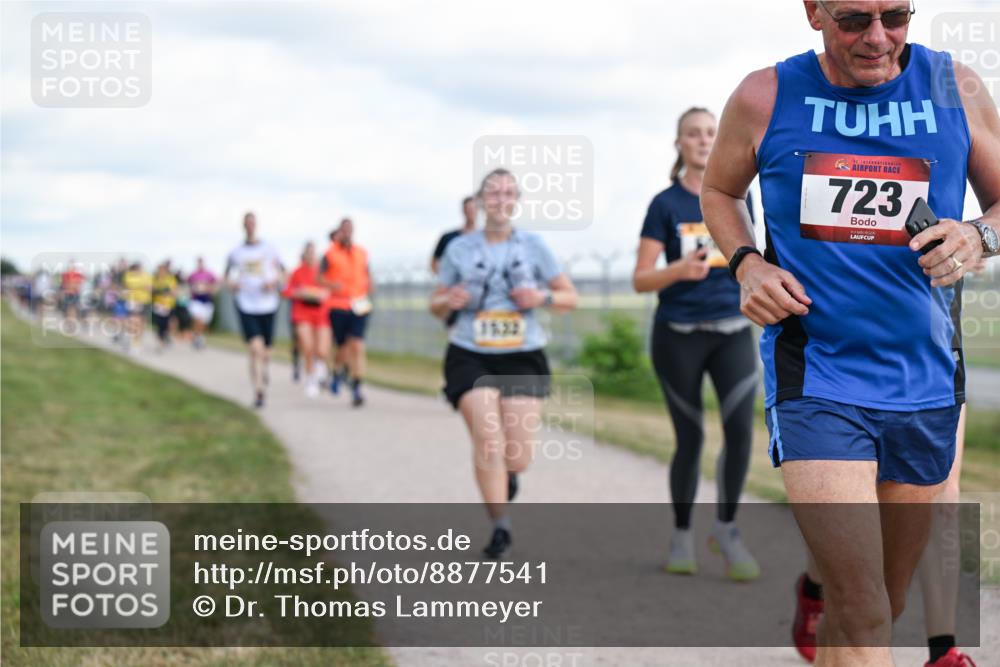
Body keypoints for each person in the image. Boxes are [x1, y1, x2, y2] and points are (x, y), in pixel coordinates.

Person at [701, 3, 999, 665]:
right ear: (813, 11)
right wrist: (747, 264)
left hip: (923, 379)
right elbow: (718, 191)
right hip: (819, 376)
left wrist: (978, 234)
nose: (878, 37)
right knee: (863, 609)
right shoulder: (765, 95)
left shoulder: (956, 86)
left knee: (877, 609)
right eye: (853, 18)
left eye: (896, 15)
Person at [633, 107, 759, 580]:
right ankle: (682, 534)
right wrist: (678, 271)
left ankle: (726, 530)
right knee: (691, 438)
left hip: (731, 331)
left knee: (742, 432)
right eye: (693, 133)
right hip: (678, 336)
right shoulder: (664, 205)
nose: (704, 140)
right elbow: (641, 279)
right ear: (679, 143)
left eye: (711, 132)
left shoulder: (742, 198)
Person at [430, 168, 578, 559]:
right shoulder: (459, 249)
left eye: (507, 193)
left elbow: (569, 297)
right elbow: (436, 303)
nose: (499, 199)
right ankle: (500, 526)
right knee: (488, 440)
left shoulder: (534, 245)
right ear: (479, 202)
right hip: (468, 352)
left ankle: (508, 478)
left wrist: (541, 298)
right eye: (491, 193)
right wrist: (450, 301)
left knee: (518, 455)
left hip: (522, 354)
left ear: (516, 201)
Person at [224, 212, 286, 408]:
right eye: (247, 223)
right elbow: (226, 276)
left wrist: (274, 282)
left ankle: (264, 368)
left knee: (266, 352)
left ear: (256, 225)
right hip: (246, 304)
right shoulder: (236, 252)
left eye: (252, 222)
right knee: (254, 349)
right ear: (243, 226)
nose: (250, 226)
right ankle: (259, 392)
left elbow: (284, 272)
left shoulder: (270, 248)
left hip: (268, 305)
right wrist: (232, 284)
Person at [319, 218, 372, 407]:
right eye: (344, 229)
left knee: (357, 344)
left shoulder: (361, 252)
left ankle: (357, 386)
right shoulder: (329, 254)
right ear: (340, 231)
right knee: (342, 347)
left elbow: (367, 274)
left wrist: (369, 289)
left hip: (360, 304)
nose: (347, 232)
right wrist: (332, 285)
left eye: (350, 229)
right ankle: (337, 371)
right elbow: (320, 278)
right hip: (338, 305)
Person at [283, 242, 332, 398]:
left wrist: (323, 293)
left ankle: (321, 368)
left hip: (321, 313)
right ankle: (311, 379)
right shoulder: (297, 272)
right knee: (308, 346)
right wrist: (300, 292)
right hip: (302, 313)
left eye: (313, 252)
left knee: (322, 350)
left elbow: (332, 288)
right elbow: (287, 291)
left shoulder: (323, 272)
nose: (311, 255)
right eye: (308, 252)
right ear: (304, 255)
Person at [431, 195, 478, 275]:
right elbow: (434, 262)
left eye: (474, 209)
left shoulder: (487, 238)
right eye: (469, 209)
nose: (471, 212)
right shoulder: (448, 237)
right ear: (463, 211)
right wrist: (446, 280)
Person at [121, 261, 152, 352]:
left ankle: (137, 339)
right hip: (133, 301)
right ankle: (132, 339)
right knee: (134, 320)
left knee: (142, 322)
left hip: (145, 301)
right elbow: (130, 285)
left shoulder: (146, 276)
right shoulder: (129, 275)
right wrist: (142, 286)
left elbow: (149, 288)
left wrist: (142, 286)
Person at [187, 257, 217, 350]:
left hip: (207, 300)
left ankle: (199, 336)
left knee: (204, 322)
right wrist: (193, 289)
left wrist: (210, 289)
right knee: (198, 319)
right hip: (196, 300)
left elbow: (216, 285)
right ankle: (198, 337)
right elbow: (188, 285)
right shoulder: (193, 274)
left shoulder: (210, 274)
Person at [151, 262, 178, 350]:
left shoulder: (170, 279)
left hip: (168, 305)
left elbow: (174, 292)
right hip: (158, 305)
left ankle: (164, 337)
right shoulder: (155, 279)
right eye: (160, 270)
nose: (161, 272)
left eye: (163, 270)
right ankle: (160, 342)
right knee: (159, 324)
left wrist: (164, 292)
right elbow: (151, 289)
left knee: (166, 324)